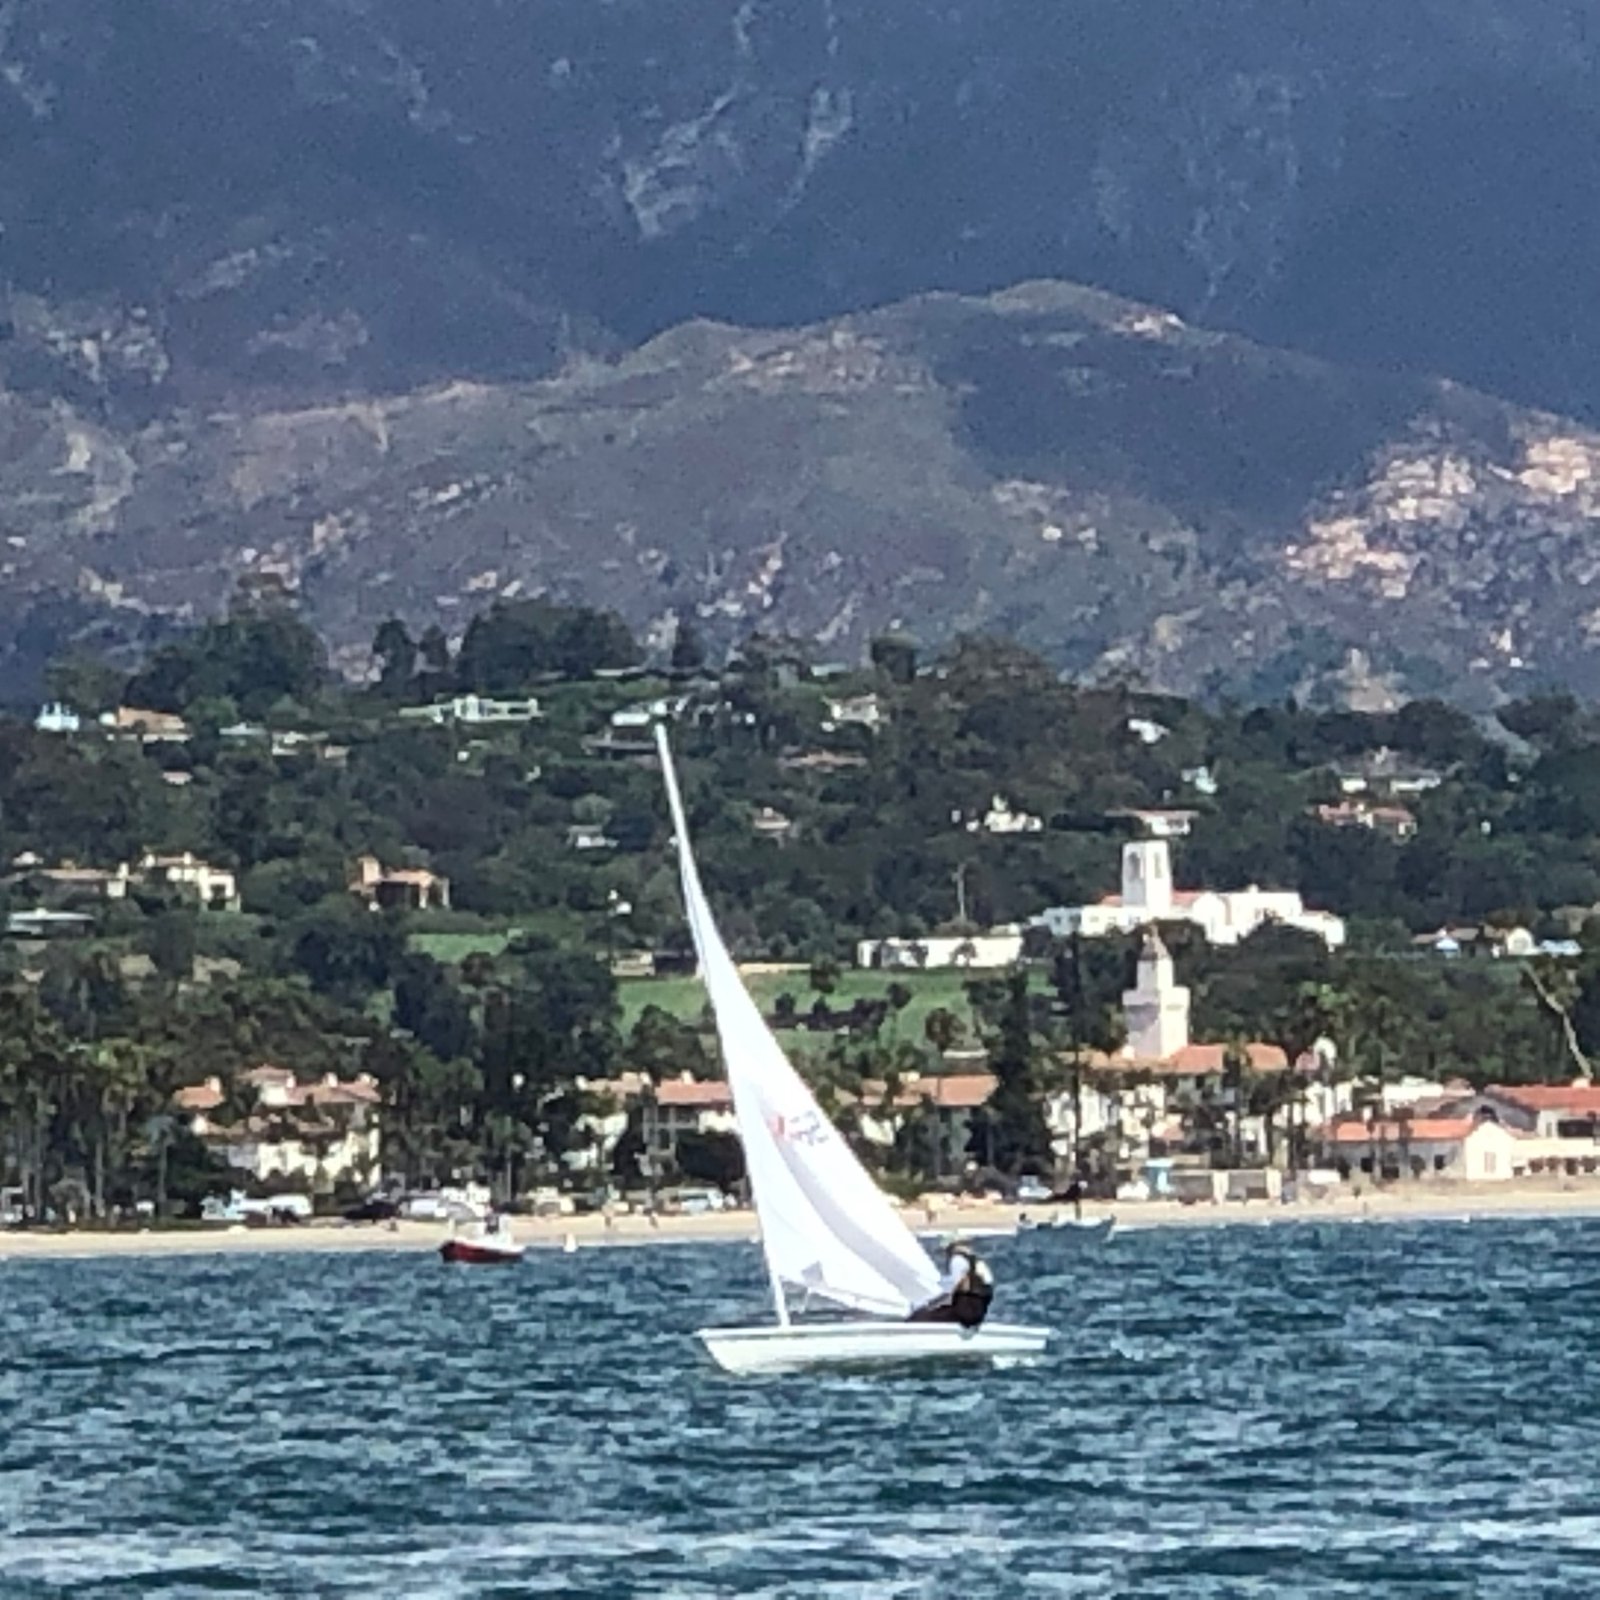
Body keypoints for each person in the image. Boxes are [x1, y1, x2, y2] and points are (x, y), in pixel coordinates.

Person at [908, 1239, 995, 1329]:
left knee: (919, 1316)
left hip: (965, 1312)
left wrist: (933, 1304)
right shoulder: (978, 1262)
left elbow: (958, 1288)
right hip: (978, 1313)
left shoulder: (957, 1260)